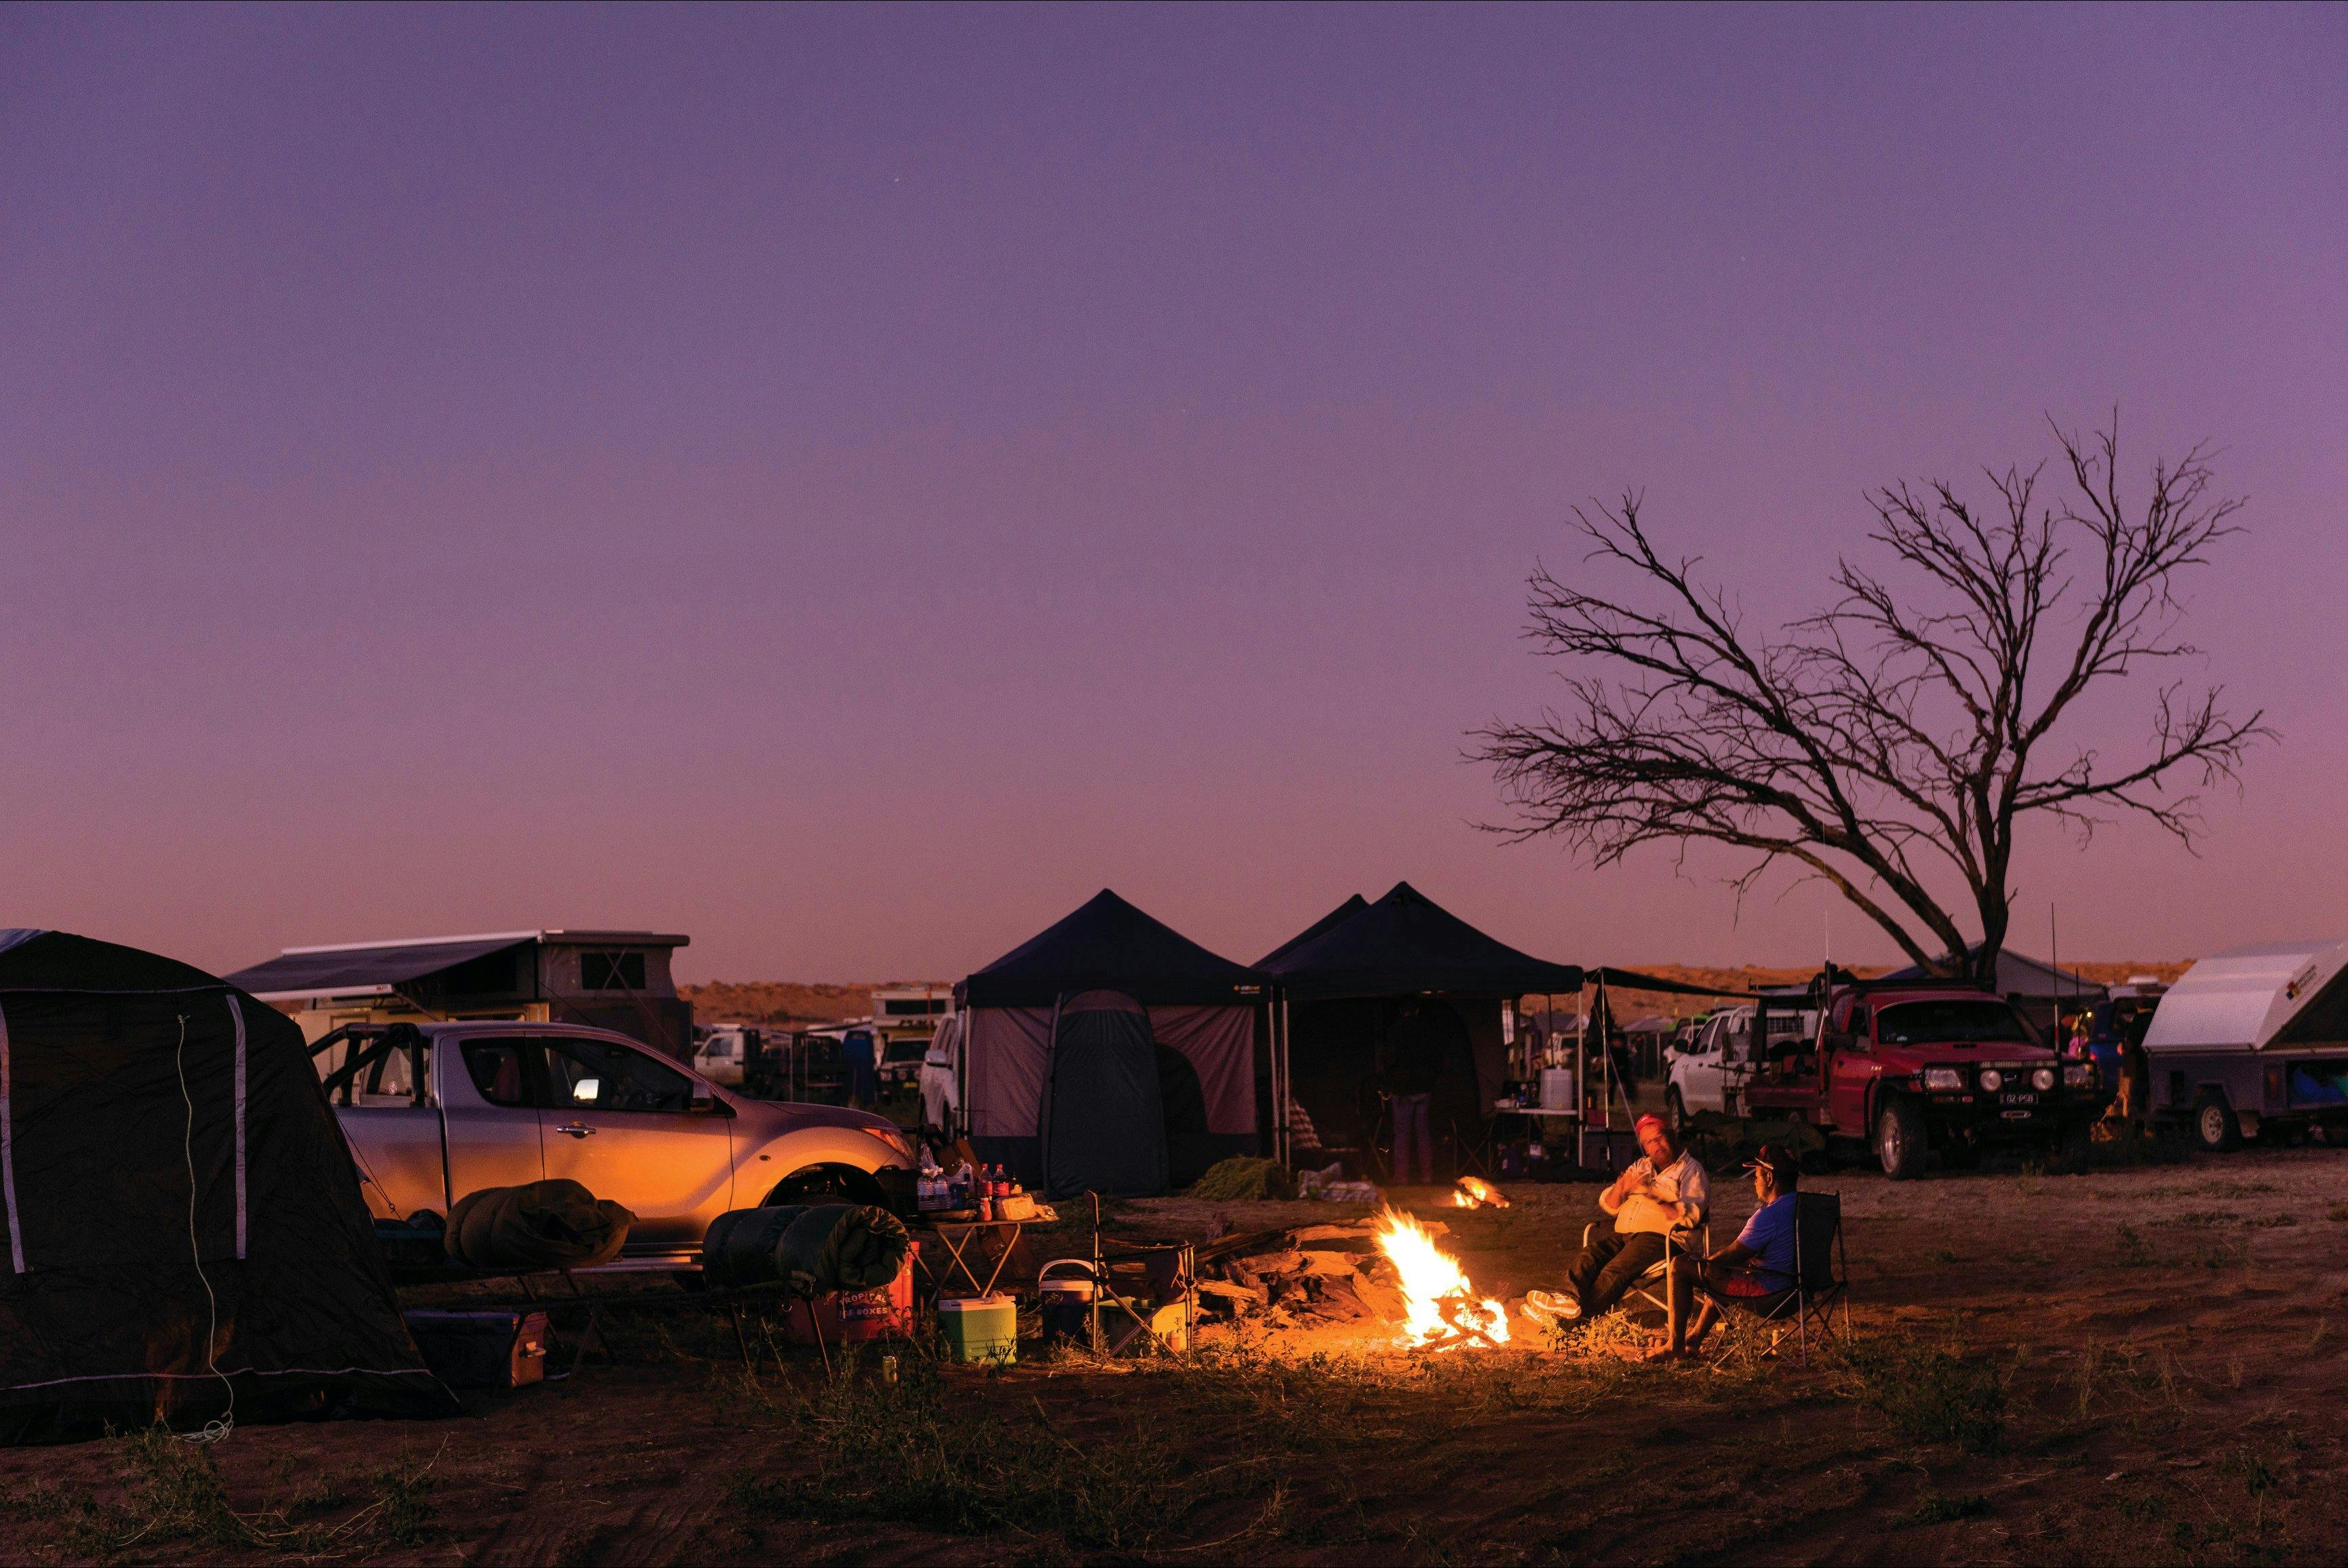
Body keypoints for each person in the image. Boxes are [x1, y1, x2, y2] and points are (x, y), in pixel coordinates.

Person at [1524, 1114, 1708, 1327]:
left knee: (1614, 1271)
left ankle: (1570, 1323)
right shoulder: (1641, 1166)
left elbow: (1691, 1216)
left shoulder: (1691, 1170)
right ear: (1644, 1147)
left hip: (1665, 1240)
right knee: (1590, 1255)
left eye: (1660, 1138)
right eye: (1649, 1142)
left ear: (1672, 1136)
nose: (1656, 1146)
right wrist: (1621, 1188)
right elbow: (1610, 1204)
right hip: (1627, 1235)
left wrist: (1653, 1194)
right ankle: (1565, 1300)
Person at [1650, 1142, 1801, 1359]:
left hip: (1773, 1296)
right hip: (1802, 1291)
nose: (1755, 1182)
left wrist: (1703, 1264)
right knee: (1727, 1276)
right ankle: (1692, 1340)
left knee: (1680, 1266)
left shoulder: (1768, 1216)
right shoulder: (1807, 1207)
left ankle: (1674, 1347)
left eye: (1756, 1176)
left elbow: (1729, 1258)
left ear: (1769, 1178)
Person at [1384, 1001, 1444, 1185]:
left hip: (1403, 1090)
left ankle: (1402, 1177)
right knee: (1423, 1134)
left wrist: (1392, 1082)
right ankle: (1427, 1175)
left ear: (1401, 1011)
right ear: (1417, 1010)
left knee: (1402, 1135)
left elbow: (1390, 1059)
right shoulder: (1426, 1031)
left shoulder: (1395, 1031)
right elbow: (1435, 1058)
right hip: (1423, 1088)